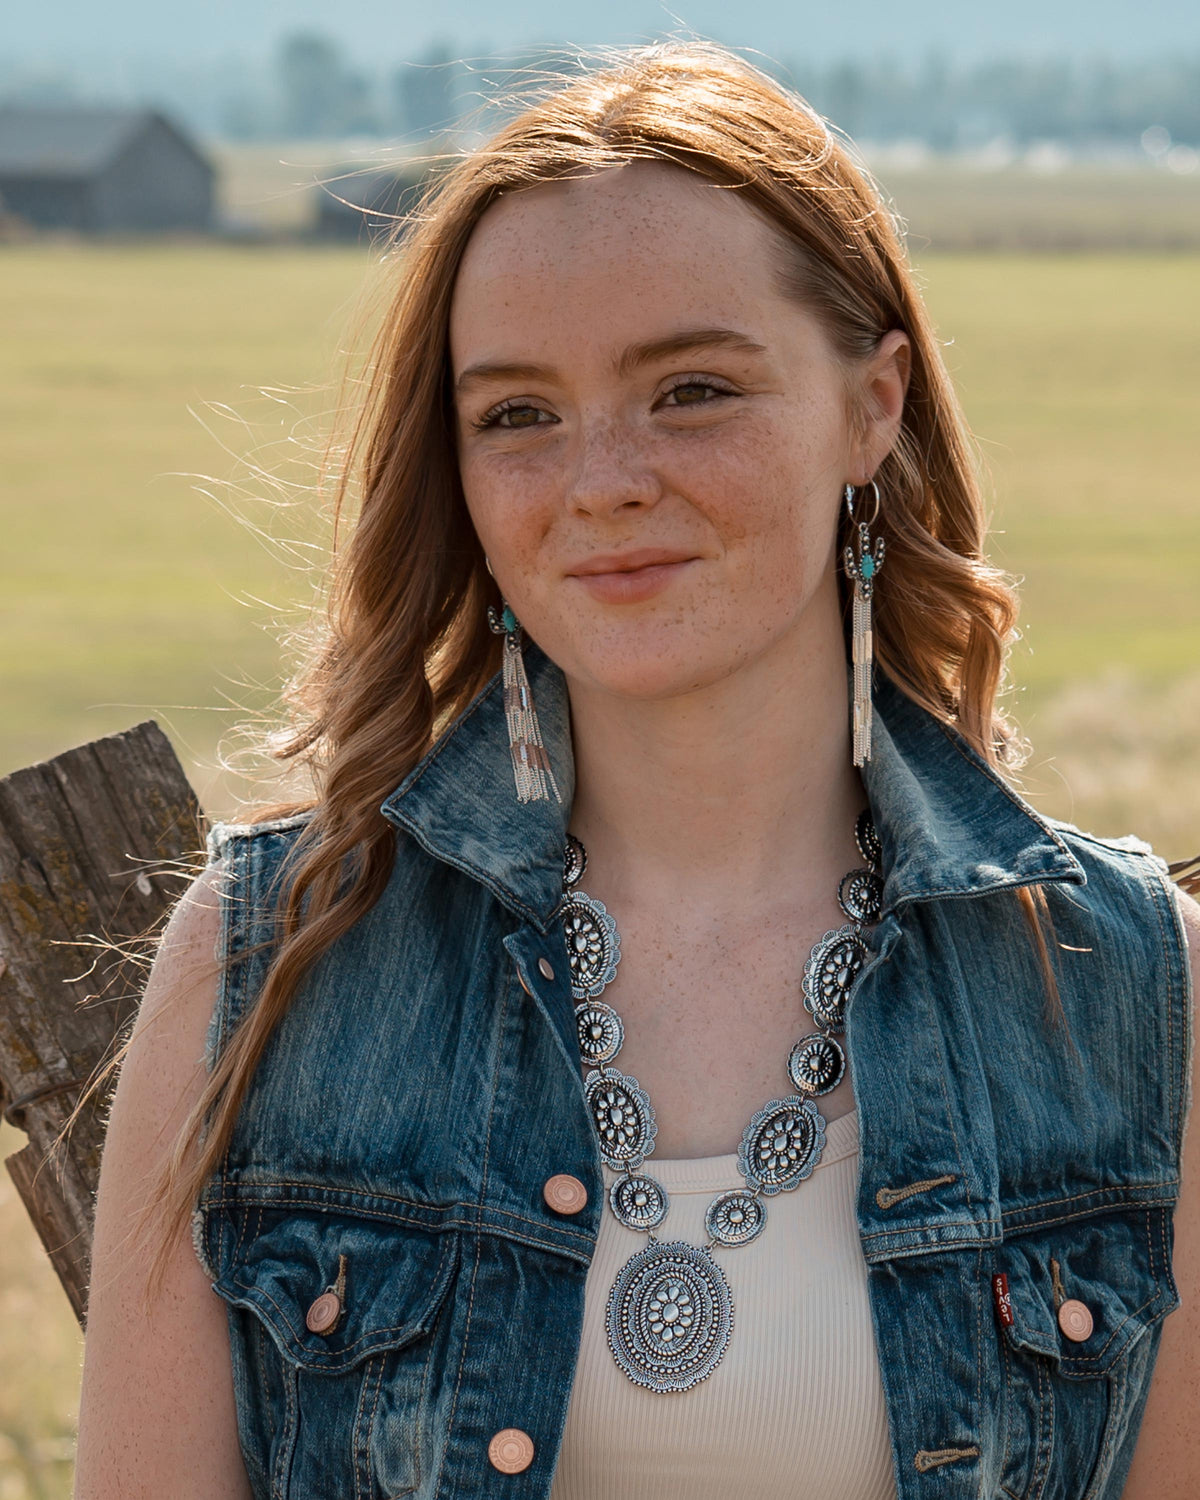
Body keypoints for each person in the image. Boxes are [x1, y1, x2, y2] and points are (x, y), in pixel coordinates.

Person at [73, 40, 1198, 1500]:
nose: (602, 478)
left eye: (691, 390)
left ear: (875, 405)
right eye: (519, 415)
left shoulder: (1130, 991)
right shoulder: (264, 963)